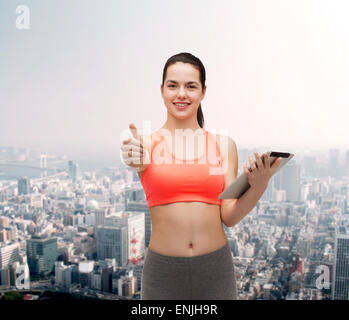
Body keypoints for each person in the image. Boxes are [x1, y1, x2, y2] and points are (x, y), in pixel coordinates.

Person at [121, 52, 282, 300]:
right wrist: (132, 156)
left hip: (215, 269)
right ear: (162, 90)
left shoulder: (224, 145)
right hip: (163, 272)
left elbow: (229, 216)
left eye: (191, 86)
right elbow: (134, 156)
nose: (181, 94)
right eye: (173, 85)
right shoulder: (146, 144)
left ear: (203, 92)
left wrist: (260, 185)